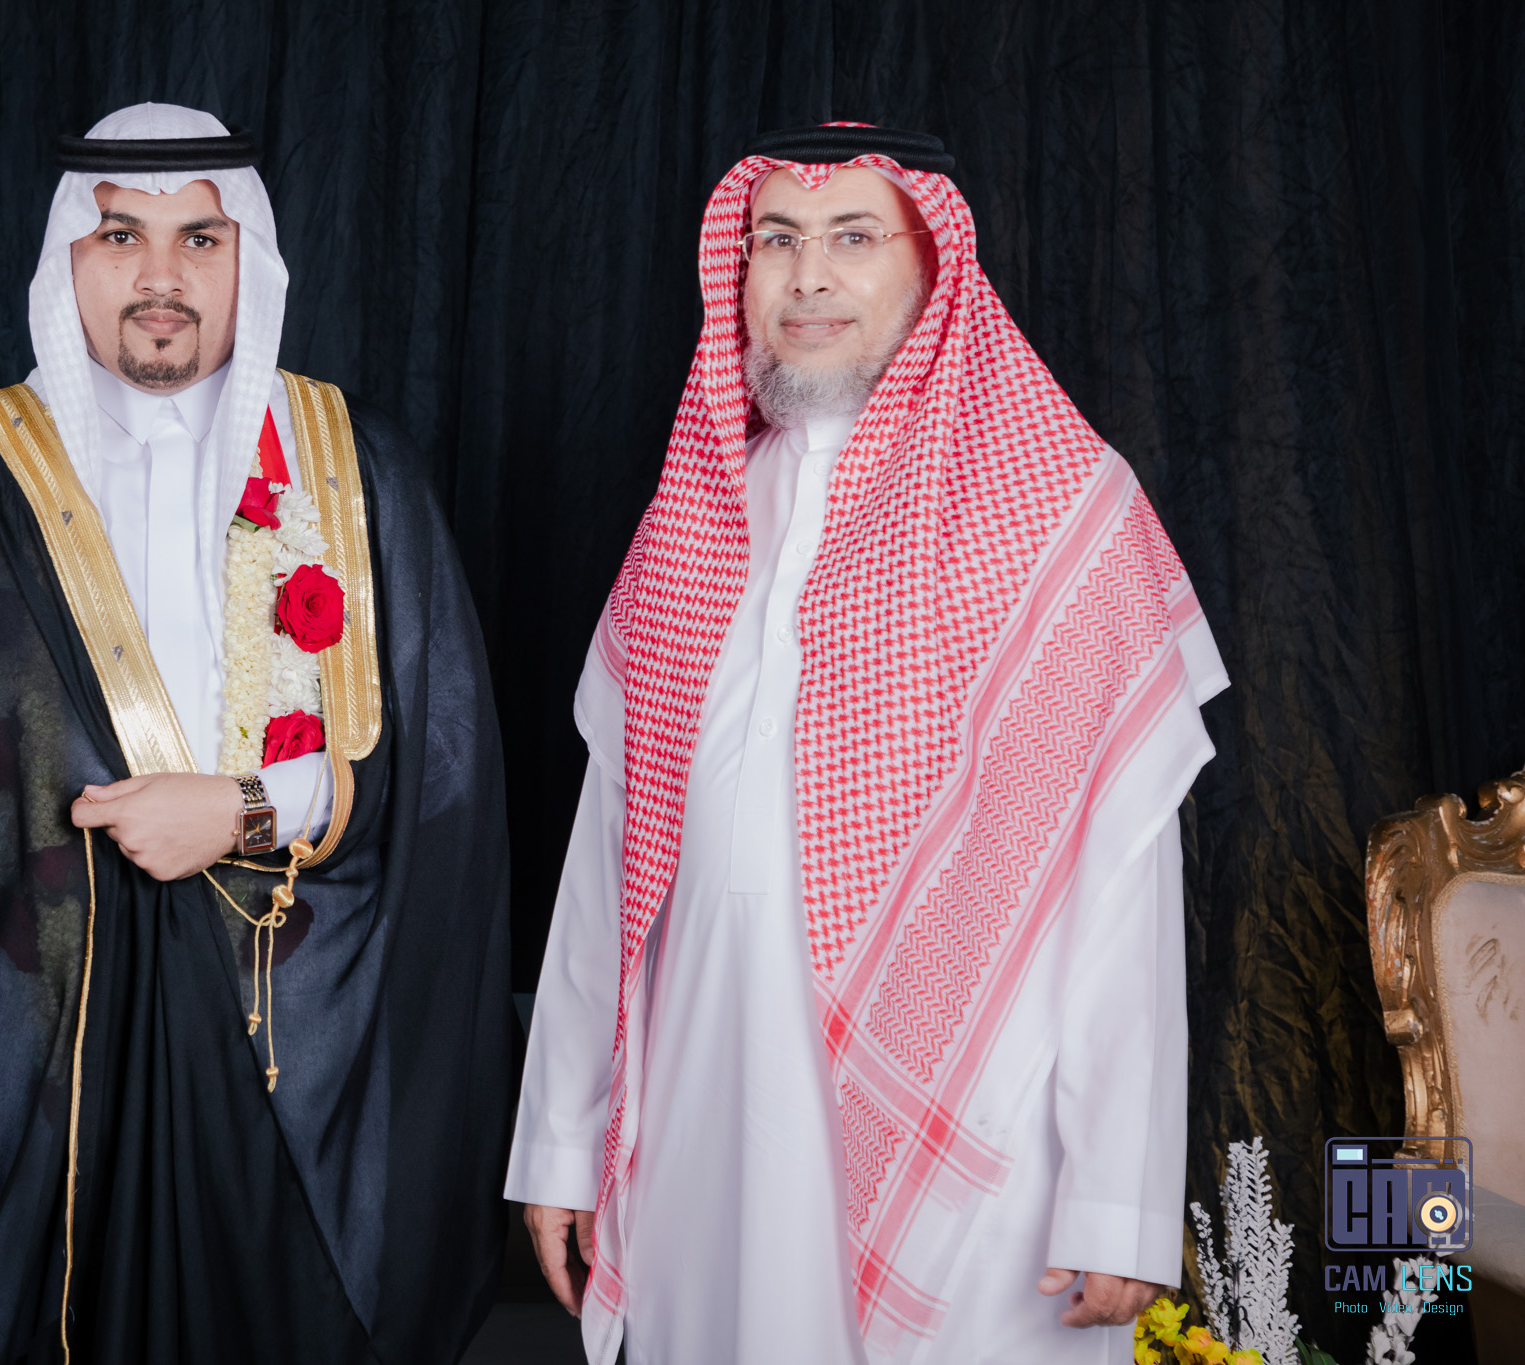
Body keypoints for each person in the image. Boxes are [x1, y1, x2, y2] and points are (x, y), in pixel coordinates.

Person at [508, 123, 1227, 1365]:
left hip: (974, 1127)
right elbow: (607, 863)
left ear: (932, 266)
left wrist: (1117, 1194)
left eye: (852, 237)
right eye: (774, 241)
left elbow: (1123, 878)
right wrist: (562, 1141)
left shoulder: (1057, 513)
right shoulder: (694, 516)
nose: (807, 279)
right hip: (696, 1104)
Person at [0, 102, 512, 1364]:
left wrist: (239, 810)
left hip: (286, 1048)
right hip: (27, 1058)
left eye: (200, 239)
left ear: (251, 263)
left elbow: (439, 771)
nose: (159, 278)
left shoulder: (354, 467)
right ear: (66, 260)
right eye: (120, 236)